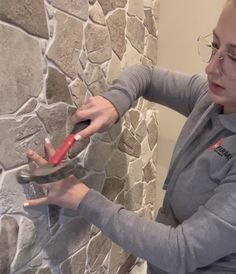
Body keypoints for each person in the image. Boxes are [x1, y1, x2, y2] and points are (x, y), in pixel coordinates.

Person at [23, 1, 236, 273]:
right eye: (215, 45)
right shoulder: (208, 99)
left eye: (235, 56)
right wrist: (115, 101)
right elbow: (145, 75)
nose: (211, 67)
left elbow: (181, 251)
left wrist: (81, 197)